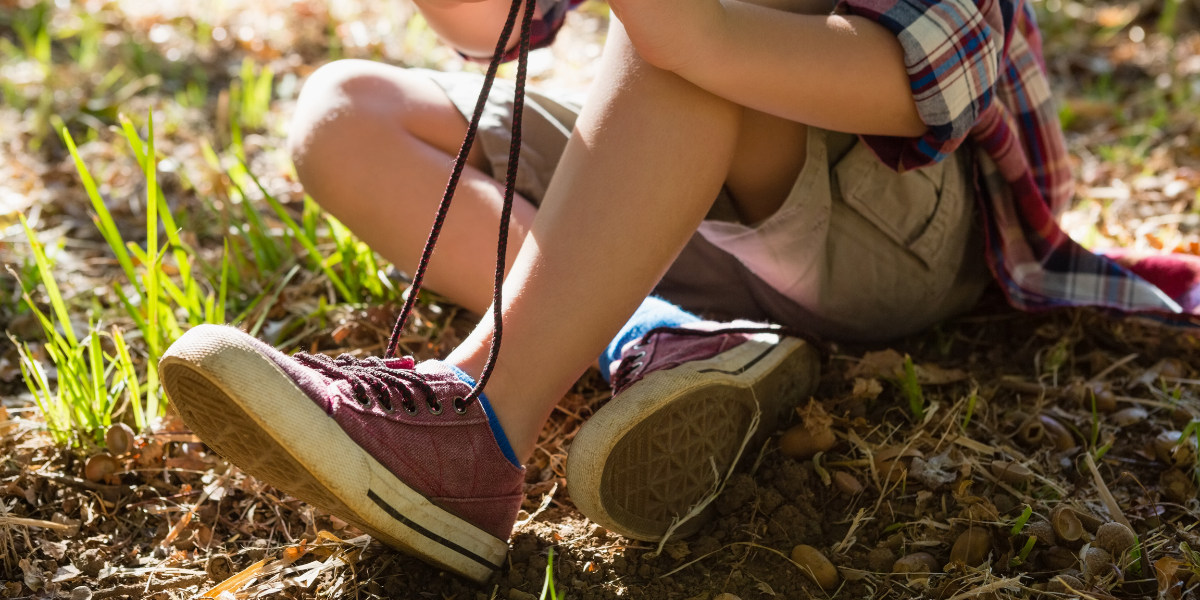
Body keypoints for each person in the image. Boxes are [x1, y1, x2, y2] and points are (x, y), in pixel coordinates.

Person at [159, 0, 1200, 583]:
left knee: (683, 45)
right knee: (347, 111)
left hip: (897, 230)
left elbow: (923, 82)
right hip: (695, 168)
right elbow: (490, 25)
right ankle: (658, 332)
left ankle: (480, 417)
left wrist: (687, 34)